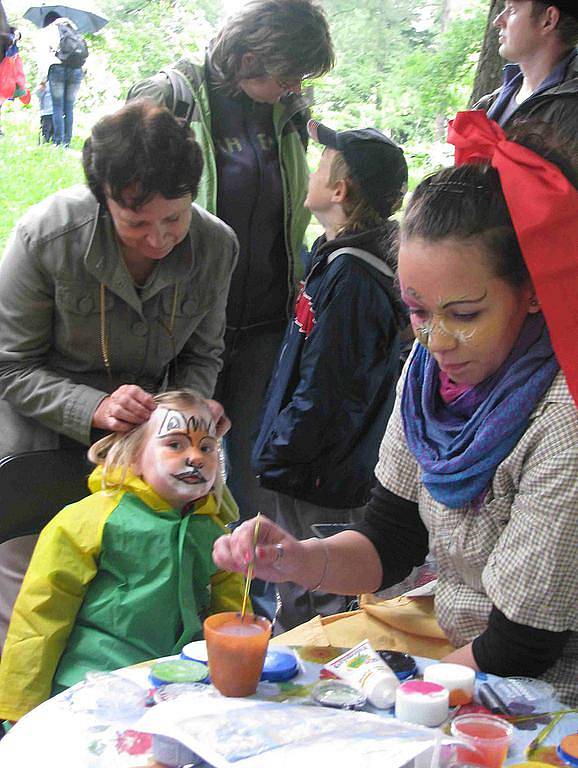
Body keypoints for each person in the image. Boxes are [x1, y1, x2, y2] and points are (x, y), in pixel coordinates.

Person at [214, 111, 578, 705]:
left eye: (464, 315)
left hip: (544, 688)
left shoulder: (563, 420)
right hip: (464, 653)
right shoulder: (430, 375)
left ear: (533, 291)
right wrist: (297, 558)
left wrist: (380, 705)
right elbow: (390, 538)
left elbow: (520, 649)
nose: (435, 340)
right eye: (416, 309)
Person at [0, 100, 238, 646]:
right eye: (136, 223)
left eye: (174, 218)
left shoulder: (217, 246)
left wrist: (188, 415)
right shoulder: (46, 237)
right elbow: (9, 366)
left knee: (135, 614)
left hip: (146, 463)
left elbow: (204, 354)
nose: (158, 240)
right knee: (33, 622)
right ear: (104, 200)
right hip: (39, 451)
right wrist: (93, 408)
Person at [127, 0, 334, 524]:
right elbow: (120, 202)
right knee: (171, 461)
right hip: (183, 326)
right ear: (248, 57)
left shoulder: (286, 112)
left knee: (247, 468)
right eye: (288, 74)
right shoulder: (171, 98)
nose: (296, 86)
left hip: (264, 324)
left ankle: (240, 589)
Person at [0, 390, 247, 722]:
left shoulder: (213, 530)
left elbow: (233, 614)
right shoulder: (87, 521)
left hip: (182, 689)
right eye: (175, 444)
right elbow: (40, 617)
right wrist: (18, 710)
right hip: (91, 690)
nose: (196, 457)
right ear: (134, 456)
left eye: (206, 447)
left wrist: (244, 675)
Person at [251, 120, 407, 630]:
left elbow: (330, 387)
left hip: (317, 470)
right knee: (293, 583)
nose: (311, 172)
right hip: (311, 461)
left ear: (339, 190)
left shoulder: (354, 277)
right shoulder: (336, 258)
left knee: (311, 591)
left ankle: (307, 681)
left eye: (321, 165)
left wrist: (281, 450)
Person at [475, 0, 577, 139]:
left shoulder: (572, 109)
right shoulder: (488, 105)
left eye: (511, 10)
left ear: (548, 20)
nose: (497, 21)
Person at [36, 13, 84, 146]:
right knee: (69, 107)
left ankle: (58, 141)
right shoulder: (73, 29)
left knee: (57, 107)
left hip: (56, 69)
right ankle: (67, 142)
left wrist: (42, 80)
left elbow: (43, 58)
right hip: (75, 70)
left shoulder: (48, 32)